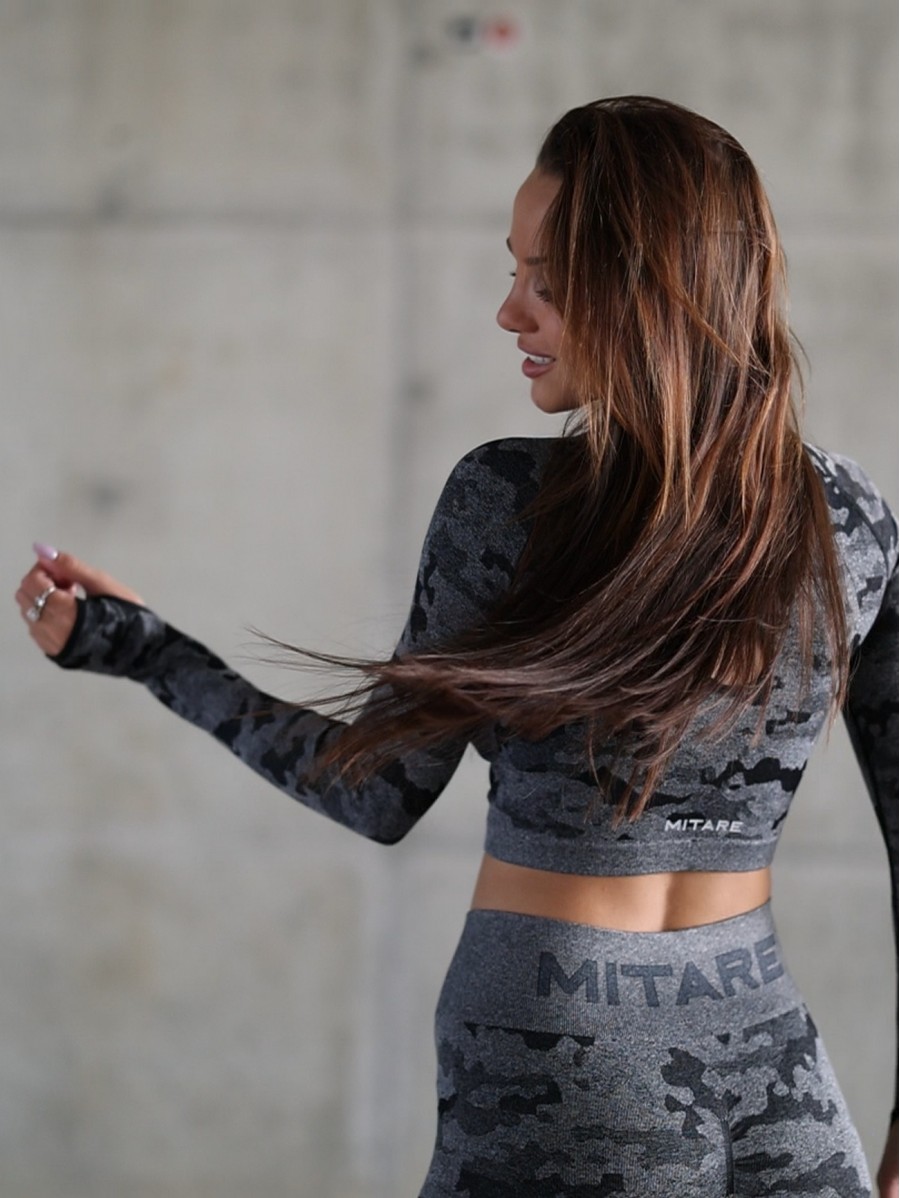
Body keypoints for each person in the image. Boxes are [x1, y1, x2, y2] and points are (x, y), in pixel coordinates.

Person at [16, 96, 897, 1197]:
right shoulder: (846, 517)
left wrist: (144, 651)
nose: (507, 309)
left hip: (605, 1040)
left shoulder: (520, 500)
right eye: (512, 270)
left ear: (649, 290)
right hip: (728, 1053)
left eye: (545, 281)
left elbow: (374, 792)